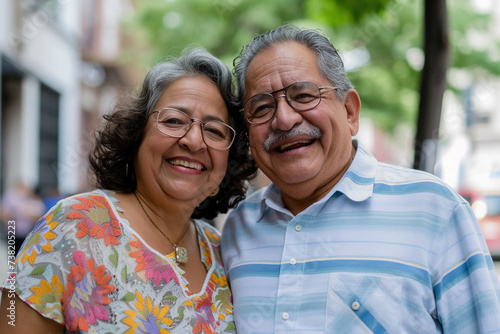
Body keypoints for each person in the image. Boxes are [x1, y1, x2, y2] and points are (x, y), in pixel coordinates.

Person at [221, 24, 500, 333]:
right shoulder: (239, 228)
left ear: (350, 111)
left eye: (303, 95)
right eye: (261, 107)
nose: (284, 119)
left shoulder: (435, 210)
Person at [0, 47, 256, 333]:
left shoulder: (224, 252)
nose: (194, 141)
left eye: (215, 131)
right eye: (174, 121)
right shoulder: (72, 226)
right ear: (136, 135)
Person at [1, 181, 46, 256]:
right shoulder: (10, 197)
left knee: (23, 255)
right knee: (12, 256)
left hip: (27, 232)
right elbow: (4, 214)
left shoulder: (31, 198)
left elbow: (39, 215)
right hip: (12, 231)